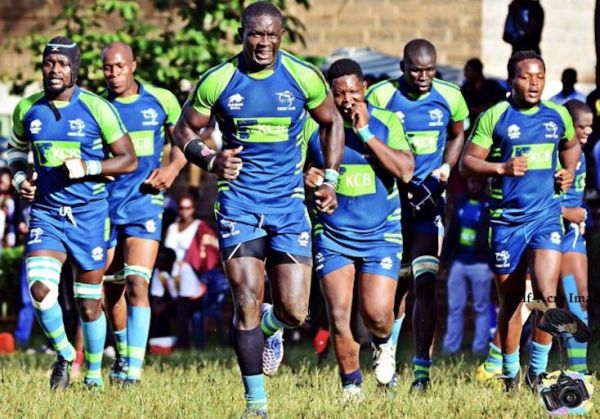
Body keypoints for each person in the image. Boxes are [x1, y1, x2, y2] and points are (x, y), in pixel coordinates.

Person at [173, 2, 343, 416]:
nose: (263, 43)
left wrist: (330, 178)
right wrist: (210, 160)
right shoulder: (220, 79)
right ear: (242, 33)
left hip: (287, 206)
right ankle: (256, 405)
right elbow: (183, 129)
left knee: (295, 310)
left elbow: (331, 121)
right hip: (239, 204)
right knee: (246, 298)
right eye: (255, 34)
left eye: (270, 35)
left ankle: (273, 327)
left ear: (281, 35)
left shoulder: (303, 77)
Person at [8, 36, 136, 389]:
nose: (55, 70)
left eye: (63, 64)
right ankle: (65, 355)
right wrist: (20, 177)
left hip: (89, 214)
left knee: (89, 305)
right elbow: (14, 151)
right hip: (47, 214)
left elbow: (128, 159)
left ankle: (93, 373)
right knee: (40, 290)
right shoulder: (27, 109)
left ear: (75, 68)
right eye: (49, 63)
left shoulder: (97, 108)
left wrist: (89, 166)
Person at [459, 50, 580, 391]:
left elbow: (571, 146)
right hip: (507, 222)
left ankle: (537, 373)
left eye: (540, 77)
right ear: (512, 79)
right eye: (526, 77)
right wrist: (502, 167)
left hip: (545, 218)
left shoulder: (557, 115)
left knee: (544, 294)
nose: (534, 83)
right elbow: (467, 163)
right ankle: (511, 373)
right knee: (511, 301)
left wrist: (567, 172)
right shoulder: (496, 116)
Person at [304, 58, 414, 397]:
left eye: (353, 91)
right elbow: (300, 171)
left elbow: (406, 171)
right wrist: (306, 177)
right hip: (333, 235)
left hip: (380, 234)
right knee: (339, 315)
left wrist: (366, 132)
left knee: (377, 313)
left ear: (364, 89)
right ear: (329, 95)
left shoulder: (386, 123)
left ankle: (384, 346)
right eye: (339, 94)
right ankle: (352, 386)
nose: (347, 99)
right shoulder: (314, 128)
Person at [366, 38, 468, 391]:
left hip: (428, 205)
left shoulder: (450, 96)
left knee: (425, 282)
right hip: (391, 204)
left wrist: (443, 173)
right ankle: (386, 361)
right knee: (393, 289)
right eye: (415, 70)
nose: (423, 77)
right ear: (402, 68)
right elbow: (369, 142)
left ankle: (422, 373)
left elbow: (457, 135)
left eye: (429, 70)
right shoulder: (381, 96)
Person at [100, 41, 187, 385]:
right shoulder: (98, 106)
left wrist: (172, 170)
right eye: (108, 67)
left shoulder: (161, 100)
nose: (114, 73)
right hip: (105, 204)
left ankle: (132, 372)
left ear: (133, 65)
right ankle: (123, 354)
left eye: (120, 66)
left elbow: (187, 138)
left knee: (139, 281)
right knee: (111, 289)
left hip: (145, 202)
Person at [441, 177, 492, 355]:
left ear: (483, 184)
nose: (475, 184)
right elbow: (452, 231)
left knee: (481, 307)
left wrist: (491, 262)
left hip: (481, 263)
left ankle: (480, 348)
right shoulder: (460, 201)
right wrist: (444, 260)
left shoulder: (489, 204)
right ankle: (450, 347)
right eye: (472, 182)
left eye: (478, 182)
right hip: (459, 262)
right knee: (455, 307)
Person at [560, 99, 593, 375]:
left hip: (571, 236)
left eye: (591, 126)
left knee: (577, 299)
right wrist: (565, 211)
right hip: (546, 232)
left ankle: (578, 372)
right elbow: (532, 195)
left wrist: (579, 216)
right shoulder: (553, 153)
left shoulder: (584, 154)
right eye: (582, 126)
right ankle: (499, 361)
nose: (588, 131)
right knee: (528, 303)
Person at [461, 58, 506, 127]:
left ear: (477, 71)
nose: (465, 74)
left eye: (468, 71)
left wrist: (480, 110)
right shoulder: (466, 88)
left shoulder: (493, 87)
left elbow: (499, 104)